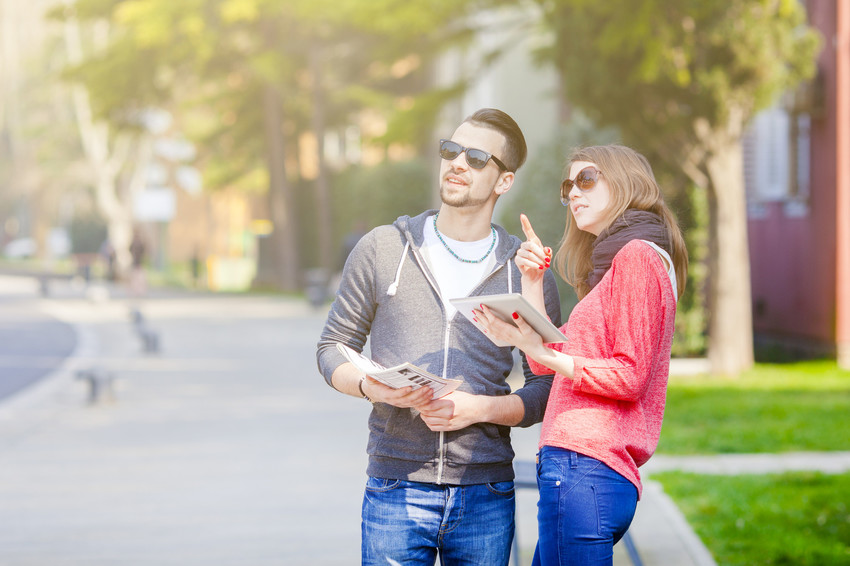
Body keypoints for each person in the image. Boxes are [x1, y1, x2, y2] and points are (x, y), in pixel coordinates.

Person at [316, 108, 562, 566]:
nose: (457, 163)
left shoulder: (523, 270)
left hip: (486, 490)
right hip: (395, 484)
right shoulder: (383, 248)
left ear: (503, 182)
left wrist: (479, 409)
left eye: (476, 157)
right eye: (451, 150)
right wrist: (373, 385)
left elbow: (547, 386)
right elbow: (332, 349)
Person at [475, 144, 688, 566]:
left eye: (587, 179)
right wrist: (532, 281)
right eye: (567, 184)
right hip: (581, 468)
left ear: (627, 181)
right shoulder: (618, 266)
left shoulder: (638, 256)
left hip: (586, 466)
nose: (573, 192)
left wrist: (540, 350)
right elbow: (543, 363)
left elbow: (630, 376)